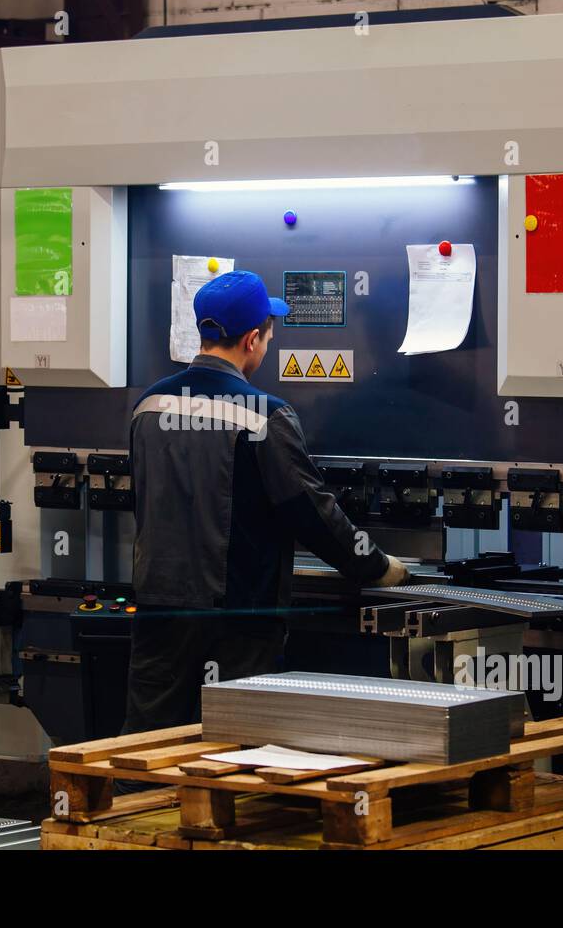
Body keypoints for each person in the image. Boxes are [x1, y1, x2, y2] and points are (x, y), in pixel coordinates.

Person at [122, 269, 410, 735]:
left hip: (159, 606)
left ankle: (137, 807)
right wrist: (375, 566)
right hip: (238, 615)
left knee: (149, 742)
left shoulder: (147, 407)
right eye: (269, 336)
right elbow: (313, 513)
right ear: (252, 339)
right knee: (235, 747)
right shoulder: (263, 414)